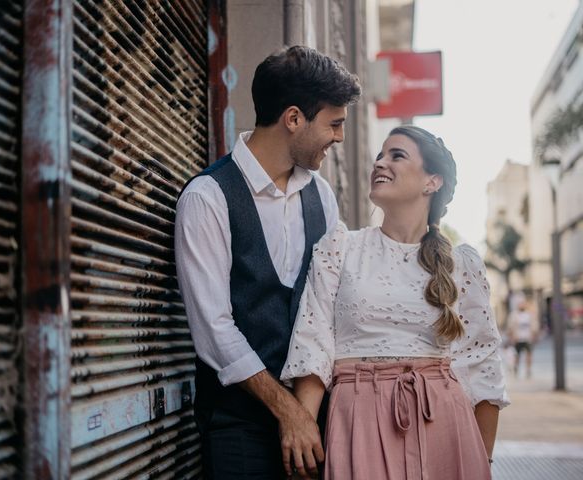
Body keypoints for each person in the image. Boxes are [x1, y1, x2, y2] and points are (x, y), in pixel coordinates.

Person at [280, 125, 510, 479]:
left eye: (396, 155)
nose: (380, 163)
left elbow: (482, 370)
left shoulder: (461, 263)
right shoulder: (340, 248)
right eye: (379, 155)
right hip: (358, 420)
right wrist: (302, 428)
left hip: (445, 425)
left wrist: (483, 462)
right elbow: (313, 347)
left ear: (431, 182)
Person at [175, 45, 361, 479]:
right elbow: (214, 332)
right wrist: (287, 412)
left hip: (318, 423)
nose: (339, 137)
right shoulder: (208, 198)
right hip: (240, 427)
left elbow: (335, 308)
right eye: (333, 124)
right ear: (293, 118)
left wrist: (311, 413)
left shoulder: (322, 196)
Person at [507, 300, 540, 378]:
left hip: (528, 338)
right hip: (518, 338)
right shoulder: (514, 315)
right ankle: (516, 368)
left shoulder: (530, 315)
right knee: (517, 355)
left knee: (529, 354)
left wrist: (535, 336)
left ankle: (528, 370)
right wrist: (511, 337)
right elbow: (510, 327)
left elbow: (534, 326)